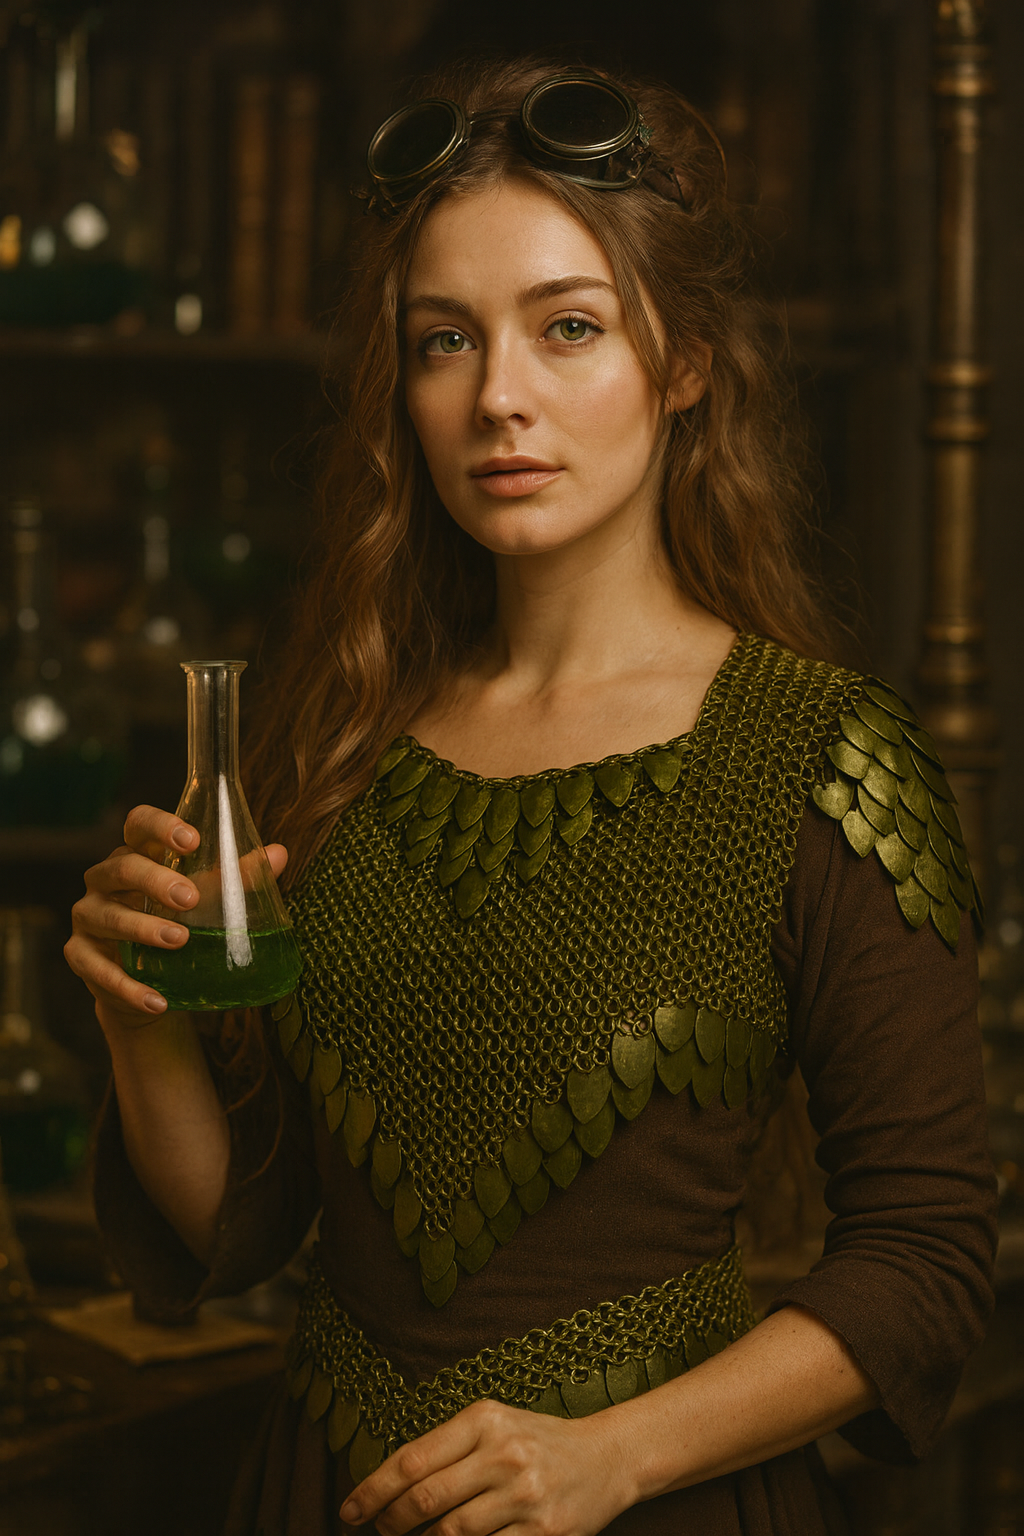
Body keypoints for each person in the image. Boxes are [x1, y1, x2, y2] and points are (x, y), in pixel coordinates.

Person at [65, 56, 997, 1536]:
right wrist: (144, 1029)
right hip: (328, 1496)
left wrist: (611, 1454)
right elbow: (240, 1231)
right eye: (445, 341)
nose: (499, 397)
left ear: (682, 362)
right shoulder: (344, 732)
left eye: (568, 328)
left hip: (666, 1507)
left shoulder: (824, 760)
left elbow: (929, 1259)